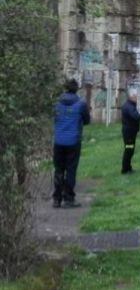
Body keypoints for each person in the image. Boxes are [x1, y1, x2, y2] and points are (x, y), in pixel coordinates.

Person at [52, 79, 91, 208]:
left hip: (58, 141)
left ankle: (56, 198)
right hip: (73, 141)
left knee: (58, 169)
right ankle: (68, 198)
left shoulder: (57, 103)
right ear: (76, 89)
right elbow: (87, 120)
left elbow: (54, 117)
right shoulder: (81, 104)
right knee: (70, 170)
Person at [121, 92, 140, 174]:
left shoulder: (129, 105)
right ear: (131, 97)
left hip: (130, 131)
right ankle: (125, 169)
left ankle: (128, 167)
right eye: (136, 97)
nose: (137, 99)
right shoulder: (129, 107)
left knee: (130, 149)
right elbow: (136, 117)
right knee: (129, 149)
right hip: (129, 132)